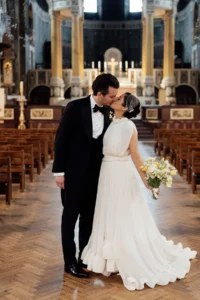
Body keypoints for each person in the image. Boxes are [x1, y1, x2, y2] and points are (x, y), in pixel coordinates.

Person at [81, 92, 197, 290]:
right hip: (106, 172)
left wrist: (147, 181)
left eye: (119, 99)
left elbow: (136, 157)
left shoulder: (128, 126)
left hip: (120, 174)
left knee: (122, 214)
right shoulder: (112, 122)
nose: (115, 99)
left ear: (126, 107)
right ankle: (108, 260)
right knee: (108, 212)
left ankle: (125, 256)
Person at [52, 73, 119, 278]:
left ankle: (84, 259)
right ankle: (69, 263)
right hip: (72, 175)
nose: (114, 100)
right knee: (69, 219)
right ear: (100, 93)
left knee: (88, 220)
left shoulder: (109, 112)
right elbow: (61, 140)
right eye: (111, 96)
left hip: (96, 176)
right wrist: (59, 172)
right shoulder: (75, 107)